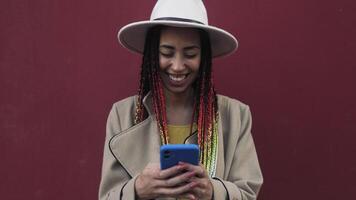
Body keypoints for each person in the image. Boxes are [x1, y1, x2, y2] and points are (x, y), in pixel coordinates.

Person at [99, 0, 263, 199]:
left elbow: (248, 194)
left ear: (204, 56)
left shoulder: (235, 116)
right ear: (152, 54)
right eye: (166, 53)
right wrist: (138, 189)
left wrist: (212, 191)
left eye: (190, 53)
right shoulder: (122, 115)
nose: (177, 66)